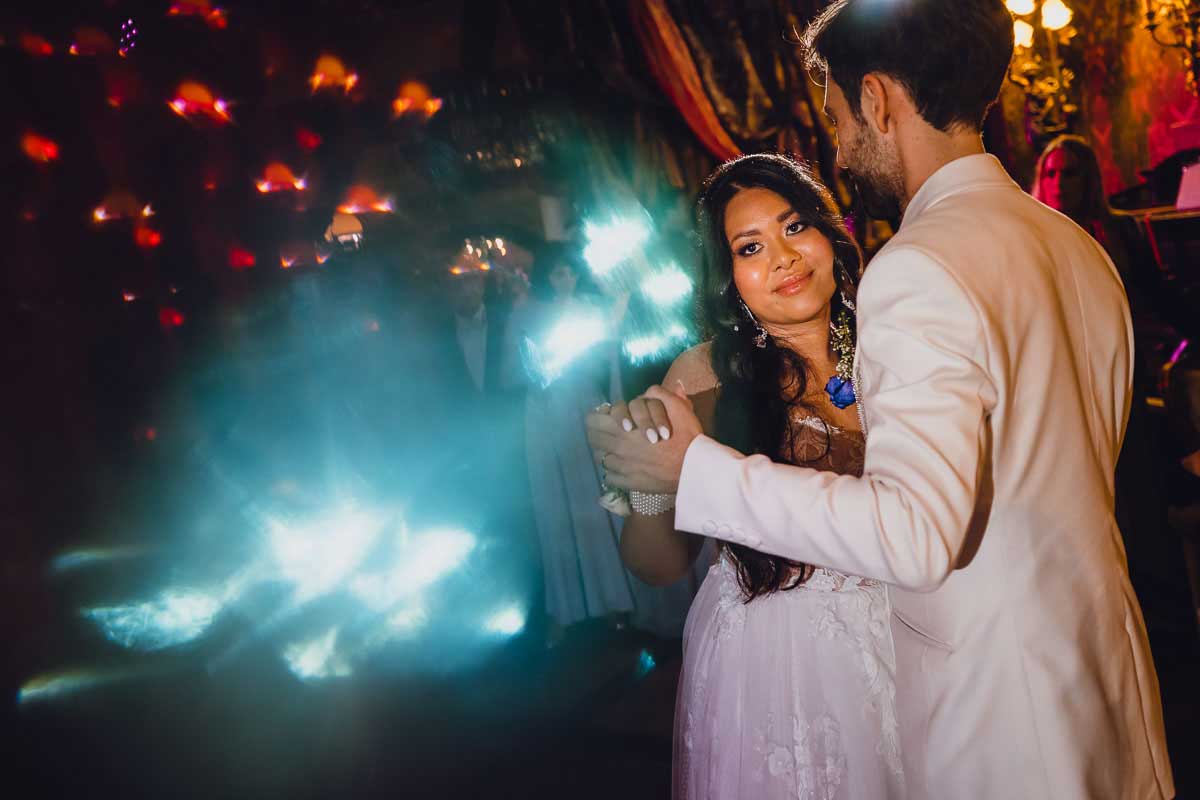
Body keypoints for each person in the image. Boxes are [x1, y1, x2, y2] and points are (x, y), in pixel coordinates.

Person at [588, 1, 1175, 798]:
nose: (840, 144)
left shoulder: (914, 270)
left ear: (874, 101)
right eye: (749, 247)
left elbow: (916, 534)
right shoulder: (1074, 246)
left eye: (835, 116)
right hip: (1100, 679)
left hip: (1001, 705)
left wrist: (696, 468)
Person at [608, 152, 903, 798]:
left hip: (912, 636)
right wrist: (654, 481)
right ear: (727, 279)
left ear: (830, 234)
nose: (783, 257)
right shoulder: (706, 377)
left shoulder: (896, 341)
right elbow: (659, 564)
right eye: (751, 246)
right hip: (780, 658)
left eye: (795, 228)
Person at [505, 245, 637, 645]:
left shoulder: (588, 310)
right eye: (557, 273)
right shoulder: (527, 313)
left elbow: (610, 347)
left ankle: (614, 598)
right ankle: (566, 607)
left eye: (569, 272)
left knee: (597, 498)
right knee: (556, 506)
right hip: (546, 412)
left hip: (583, 405)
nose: (564, 279)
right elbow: (519, 370)